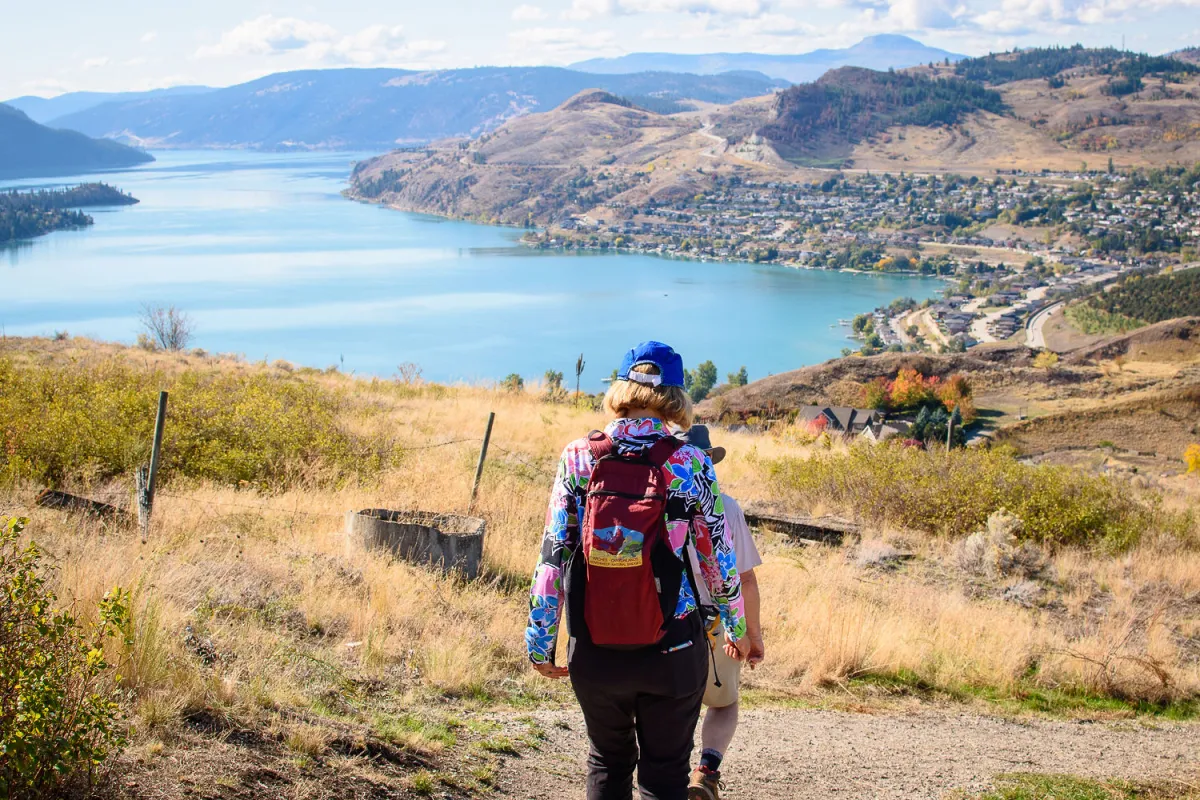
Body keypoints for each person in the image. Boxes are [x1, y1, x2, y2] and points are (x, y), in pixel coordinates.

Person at [526, 341, 749, 800]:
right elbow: (717, 562)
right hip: (673, 646)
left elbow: (553, 556)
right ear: (676, 395)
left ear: (621, 388)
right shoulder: (690, 462)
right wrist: (736, 626)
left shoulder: (577, 457)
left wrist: (541, 641)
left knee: (606, 764)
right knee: (665, 775)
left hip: (594, 645)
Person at [678, 425, 764, 800]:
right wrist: (750, 635)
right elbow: (745, 578)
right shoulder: (726, 507)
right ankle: (707, 772)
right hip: (717, 621)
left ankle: (666, 770)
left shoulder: (659, 503)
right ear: (709, 463)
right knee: (724, 702)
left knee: (671, 701)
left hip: (667, 618)